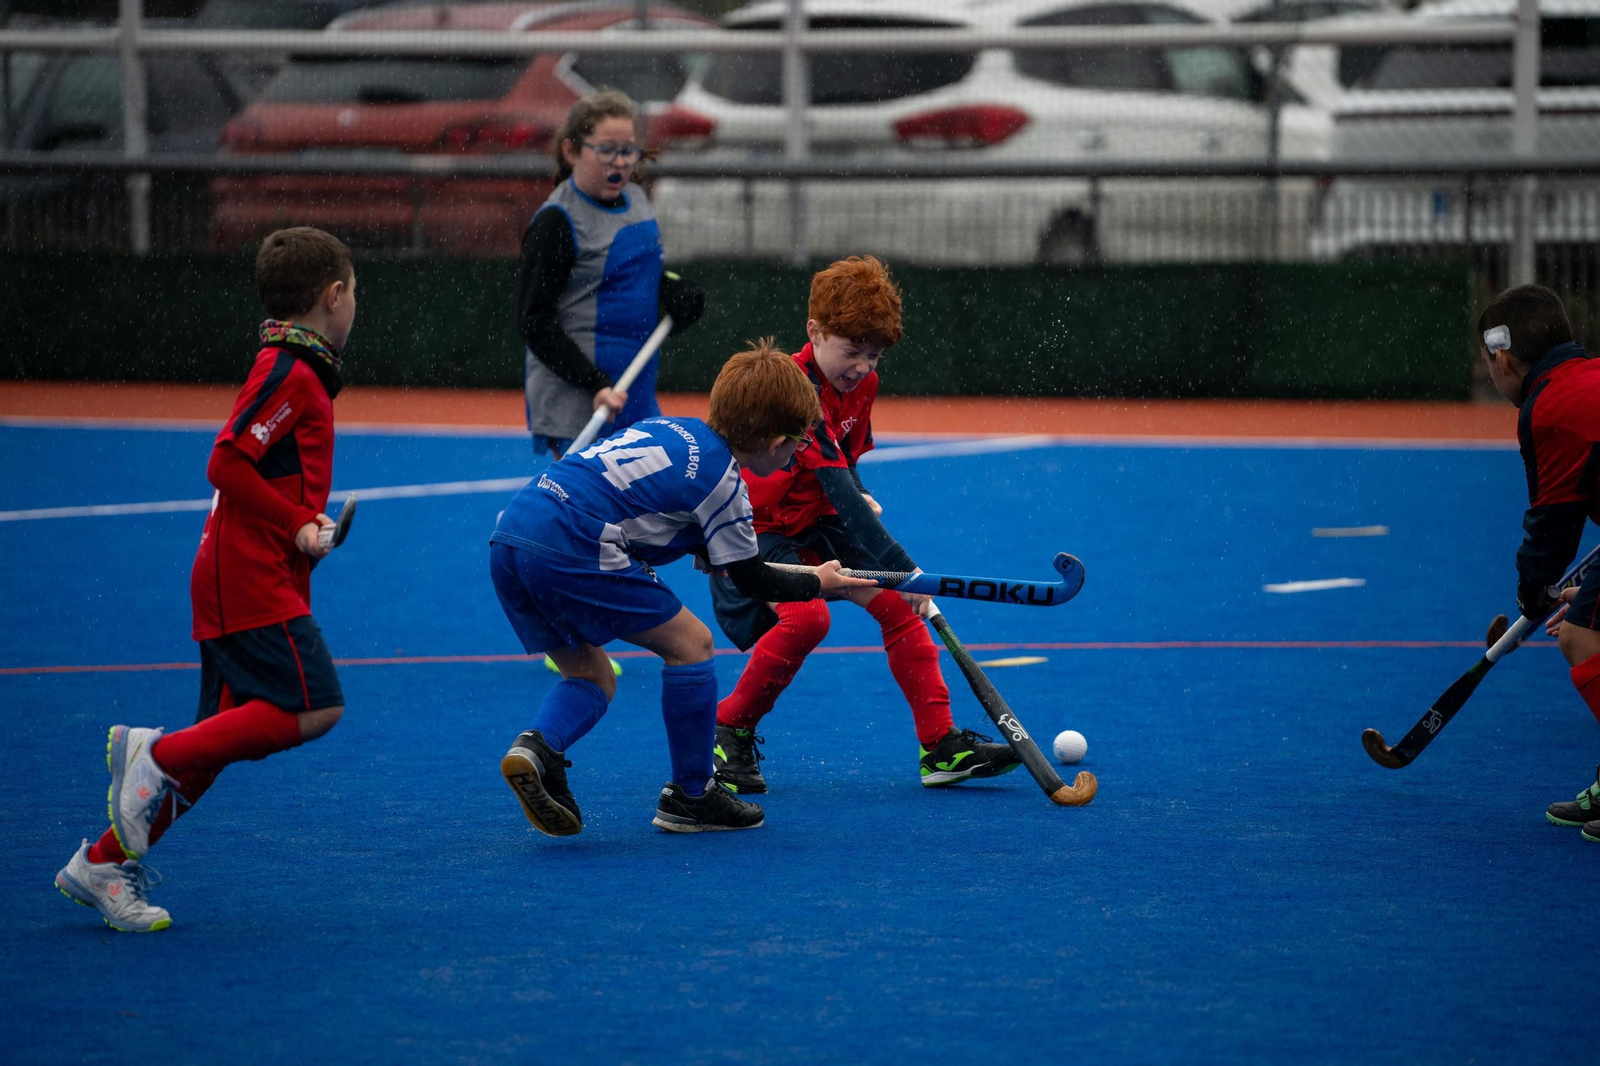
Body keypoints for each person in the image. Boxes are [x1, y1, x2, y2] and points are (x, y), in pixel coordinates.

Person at [53, 227, 357, 932]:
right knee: (316, 708)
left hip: (247, 570)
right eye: (355, 295)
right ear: (335, 295)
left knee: (221, 742)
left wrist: (305, 530)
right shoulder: (291, 371)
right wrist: (294, 524)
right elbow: (225, 464)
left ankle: (99, 865)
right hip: (246, 575)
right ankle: (151, 751)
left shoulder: (297, 368)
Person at [490, 341, 875, 836]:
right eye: (796, 444)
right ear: (776, 442)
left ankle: (538, 748)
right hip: (572, 541)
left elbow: (644, 502)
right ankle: (692, 794)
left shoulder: (672, 427)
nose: (795, 453)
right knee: (692, 645)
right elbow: (752, 576)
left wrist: (701, 545)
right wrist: (818, 582)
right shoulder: (726, 484)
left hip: (513, 533)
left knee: (593, 675)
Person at [706, 256, 1021, 795]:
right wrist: (909, 569)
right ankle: (728, 730)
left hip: (820, 524)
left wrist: (863, 490)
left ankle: (940, 746)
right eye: (851, 351)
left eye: (873, 356)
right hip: (761, 532)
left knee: (900, 610)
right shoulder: (792, 389)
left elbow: (845, 467)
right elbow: (839, 492)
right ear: (815, 331)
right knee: (808, 622)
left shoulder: (863, 385)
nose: (862, 366)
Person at [516, 87, 703, 461]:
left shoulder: (637, 199)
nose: (620, 162)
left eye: (629, 150)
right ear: (571, 151)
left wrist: (674, 293)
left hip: (634, 392)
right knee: (593, 514)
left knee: (651, 512)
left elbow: (638, 276)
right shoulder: (557, 222)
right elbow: (534, 320)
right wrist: (594, 383)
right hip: (583, 401)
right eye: (606, 150)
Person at [1477, 284, 1600, 844]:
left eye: (1488, 365)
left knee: (1580, 638)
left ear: (1503, 358)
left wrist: (1534, 594)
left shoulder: (1547, 406)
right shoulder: (1589, 375)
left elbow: (1552, 528)